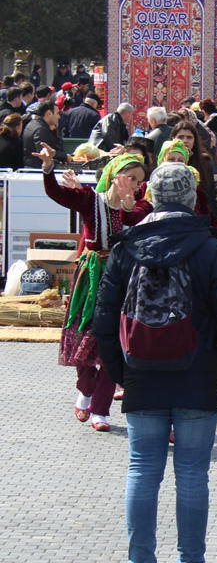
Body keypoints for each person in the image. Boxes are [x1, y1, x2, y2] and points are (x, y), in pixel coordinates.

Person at [93, 163, 217, 563]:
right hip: (197, 372)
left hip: (142, 370)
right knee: (193, 475)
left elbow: (103, 319)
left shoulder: (126, 246)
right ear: (192, 196)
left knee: (142, 471)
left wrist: (121, 372)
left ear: (153, 196)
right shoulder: (211, 248)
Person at [40, 147, 150, 431]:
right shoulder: (92, 200)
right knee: (82, 336)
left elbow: (136, 217)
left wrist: (128, 205)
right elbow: (58, 194)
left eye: (139, 181)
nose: (135, 185)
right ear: (114, 175)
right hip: (90, 279)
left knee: (113, 345)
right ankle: (85, 389)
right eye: (130, 177)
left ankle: (101, 410)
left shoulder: (140, 208)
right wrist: (49, 167)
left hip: (121, 281)